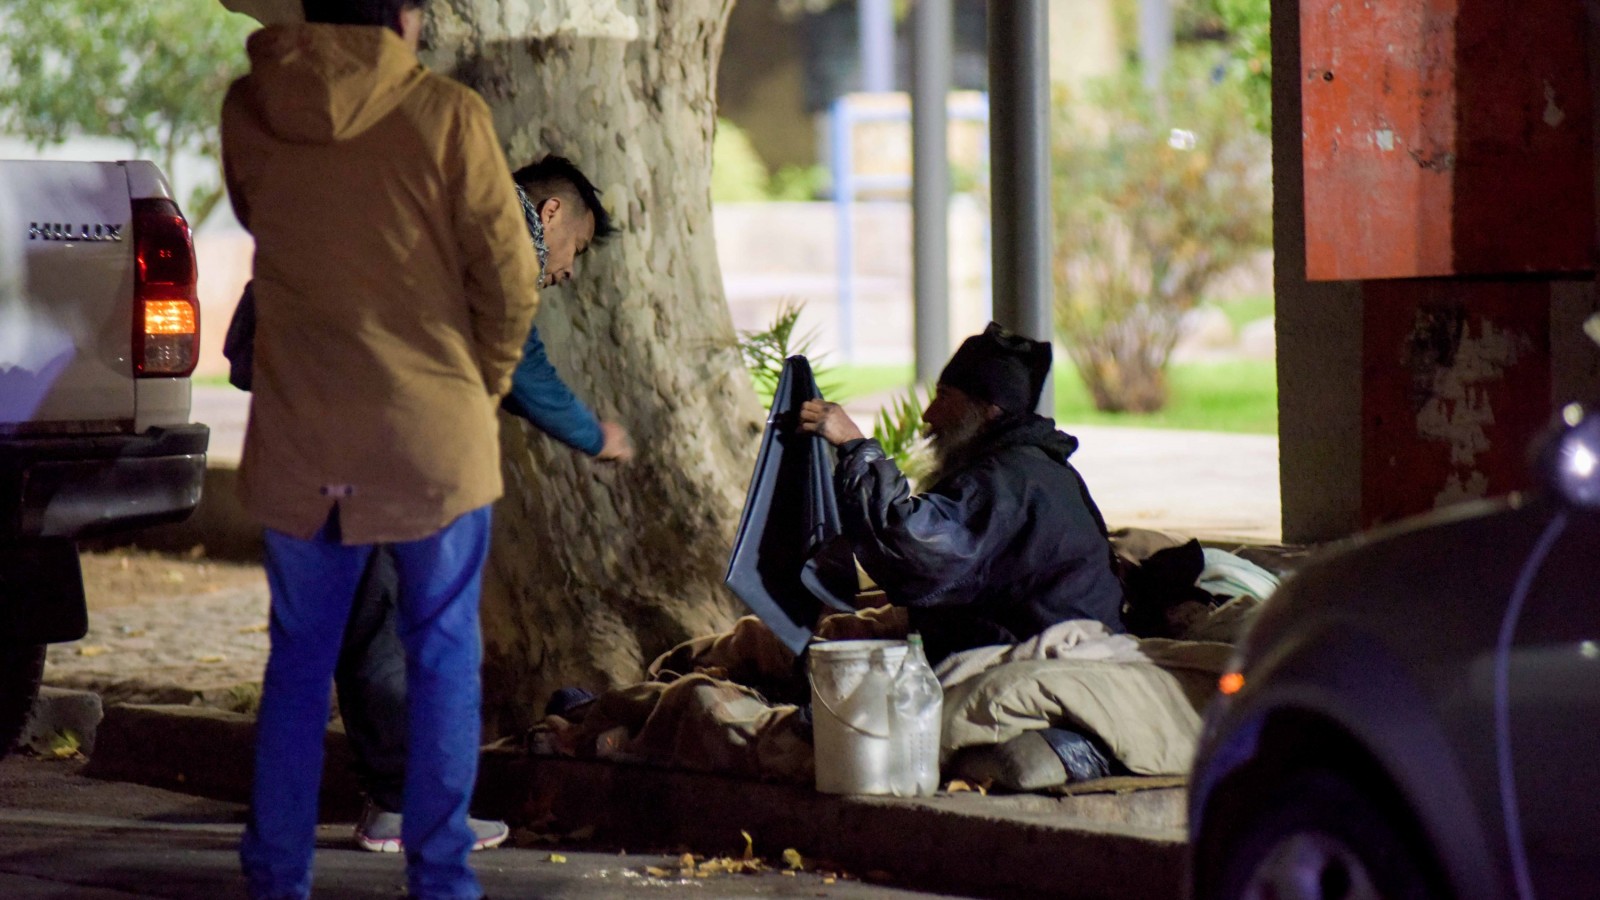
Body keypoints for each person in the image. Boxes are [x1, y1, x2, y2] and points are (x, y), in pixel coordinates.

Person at [220, 0, 540, 897]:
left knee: (298, 666)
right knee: (441, 653)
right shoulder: (447, 115)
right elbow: (511, 278)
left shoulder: (248, 109)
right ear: (406, 18)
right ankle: (441, 879)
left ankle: (276, 878)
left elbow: (261, 223)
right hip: (429, 437)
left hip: (298, 432)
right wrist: (486, 380)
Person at [340, 156, 626, 853]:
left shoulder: (431, 205)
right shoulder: (495, 232)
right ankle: (412, 807)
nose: (563, 272)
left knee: (367, 615)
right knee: (411, 620)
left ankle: (392, 799)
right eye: (574, 252)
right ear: (550, 214)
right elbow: (520, 367)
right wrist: (596, 434)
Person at [798, 322, 1125, 664]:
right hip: (1020, 630)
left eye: (944, 397)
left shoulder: (1007, 477)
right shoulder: (1026, 464)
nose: (928, 414)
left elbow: (914, 549)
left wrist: (854, 445)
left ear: (989, 409)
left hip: (1037, 653)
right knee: (828, 628)